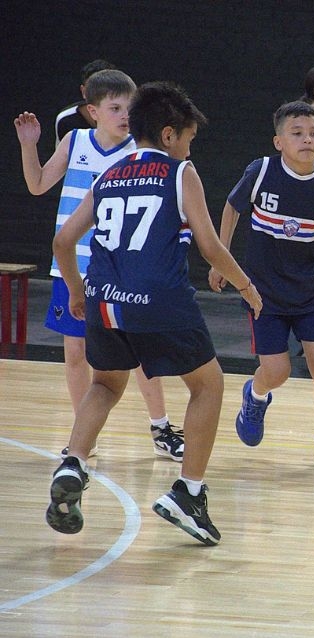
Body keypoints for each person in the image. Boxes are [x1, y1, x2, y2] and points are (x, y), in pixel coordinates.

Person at [48, 81, 263, 545]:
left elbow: (63, 242)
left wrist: (77, 290)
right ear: (169, 135)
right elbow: (210, 247)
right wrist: (246, 286)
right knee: (208, 385)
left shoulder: (109, 174)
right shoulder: (180, 172)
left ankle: (73, 462)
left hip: (103, 298)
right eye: (188, 138)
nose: (190, 148)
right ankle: (189, 493)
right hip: (158, 298)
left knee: (105, 384)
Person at [15, 69, 184, 462]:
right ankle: (83, 435)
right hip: (73, 267)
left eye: (129, 107)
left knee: (139, 351)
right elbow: (37, 184)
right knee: (76, 352)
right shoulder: (74, 141)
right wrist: (28, 146)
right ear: (93, 111)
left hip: (122, 269)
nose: (125, 115)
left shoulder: (140, 150)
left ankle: (161, 427)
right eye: (115, 108)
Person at [209, 101, 314, 471]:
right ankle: (255, 395)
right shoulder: (261, 171)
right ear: (278, 141)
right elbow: (232, 208)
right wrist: (221, 257)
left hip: (310, 292)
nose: (307, 139)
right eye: (297, 133)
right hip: (262, 294)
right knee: (277, 371)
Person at [54, 59, 116, 147]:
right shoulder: (65, 119)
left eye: (107, 89)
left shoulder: (128, 117)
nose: (100, 95)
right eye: (93, 89)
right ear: (83, 91)